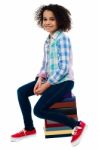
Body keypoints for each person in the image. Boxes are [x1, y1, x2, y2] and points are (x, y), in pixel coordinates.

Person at [11, 4, 87, 146]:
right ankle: (29, 129)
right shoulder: (48, 40)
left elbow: (64, 68)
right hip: (50, 79)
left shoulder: (62, 38)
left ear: (60, 20)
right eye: (45, 19)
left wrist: (46, 85)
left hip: (64, 81)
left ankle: (77, 125)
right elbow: (45, 65)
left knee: (39, 110)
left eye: (52, 19)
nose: (48, 22)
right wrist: (40, 79)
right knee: (21, 92)